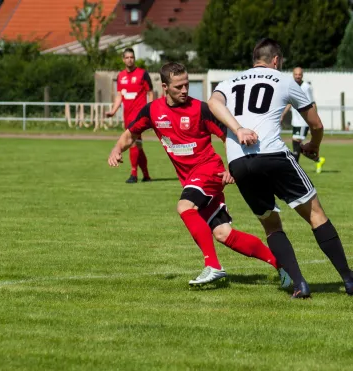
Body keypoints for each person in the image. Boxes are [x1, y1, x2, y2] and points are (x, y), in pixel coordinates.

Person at [208, 38, 353, 299]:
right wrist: (313, 145)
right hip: (273, 155)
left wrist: (237, 130)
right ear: (276, 60)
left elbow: (213, 103)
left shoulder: (228, 83)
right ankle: (349, 280)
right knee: (315, 215)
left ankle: (299, 284)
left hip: (239, 163)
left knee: (272, 226)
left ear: (254, 59)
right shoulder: (284, 81)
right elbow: (315, 124)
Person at [107, 62, 290, 288]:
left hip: (209, 170)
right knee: (224, 234)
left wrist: (231, 169)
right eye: (178, 87)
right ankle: (283, 266)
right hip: (191, 178)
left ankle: (212, 265)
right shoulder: (153, 111)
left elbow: (228, 137)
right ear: (164, 87)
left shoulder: (202, 109)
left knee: (184, 207)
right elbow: (130, 134)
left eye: (186, 84)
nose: (185, 90)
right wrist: (116, 149)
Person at [106, 48, 153, 183]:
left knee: (132, 143)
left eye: (131, 57)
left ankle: (134, 174)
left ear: (134, 58)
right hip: (127, 115)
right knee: (138, 145)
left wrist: (150, 111)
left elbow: (150, 92)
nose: (129, 60)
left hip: (139, 115)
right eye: (127, 57)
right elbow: (120, 95)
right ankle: (146, 175)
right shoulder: (120, 76)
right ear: (123, 59)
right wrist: (114, 111)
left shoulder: (143, 74)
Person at [281, 67, 326, 173]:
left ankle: (294, 168)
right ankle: (318, 160)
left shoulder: (306, 87)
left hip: (303, 121)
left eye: (299, 74)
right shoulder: (292, 85)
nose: (297, 76)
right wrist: (283, 114)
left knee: (296, 141)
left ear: (302, 75)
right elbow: (289, 102)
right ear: (293, 74)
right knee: (298, 145)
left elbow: (312, 103)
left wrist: (313, 119)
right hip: (295, 121)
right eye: (296, 74)